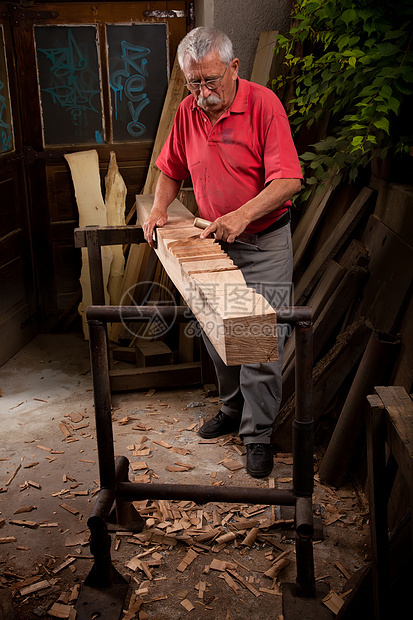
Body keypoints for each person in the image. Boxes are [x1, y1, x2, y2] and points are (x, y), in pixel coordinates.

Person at [143, 27, 302, 478]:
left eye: (211, 80)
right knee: (217, 332)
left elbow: (289, 179)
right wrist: (157, 210)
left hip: (263, 240)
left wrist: (243, 215)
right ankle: (232, 411)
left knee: (259, 340)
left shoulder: (263, 104)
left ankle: (258, 435)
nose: (203, 92)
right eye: (194, 82)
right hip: (213, 239)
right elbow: (170, 169)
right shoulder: (188, 111)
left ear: (234, 67)